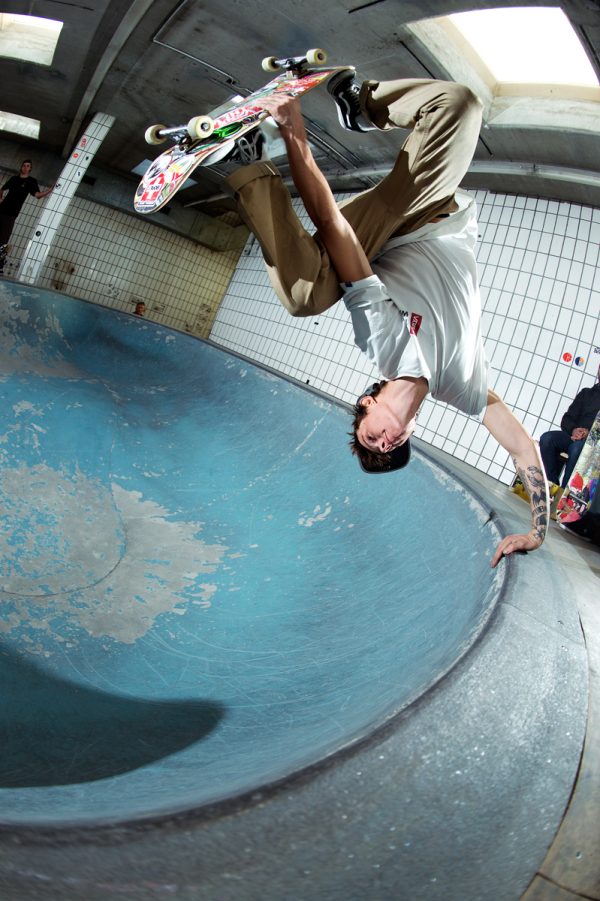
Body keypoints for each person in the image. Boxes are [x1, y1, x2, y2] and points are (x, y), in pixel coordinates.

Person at [217, 72, 548, 568]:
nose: (386, 442)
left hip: (381, 235)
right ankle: (358, 105)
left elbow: (332, 224)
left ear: (367, 404)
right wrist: (538, 532)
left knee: (304, 295)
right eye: (392, 447)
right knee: (463, 105)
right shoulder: (462, 387)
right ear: (410, 435)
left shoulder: (382, 344)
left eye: (372, 437)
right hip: (435, 213)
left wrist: (293, 131)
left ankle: (257, 161)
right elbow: (523, 448)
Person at [539, 364, 600, 489]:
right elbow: (567, 418)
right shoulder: (586, 393)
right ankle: (552, 485)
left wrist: (588, 434)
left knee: (576, 449)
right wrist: (574, 430)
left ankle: (564, 491)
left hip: (593, 444)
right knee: (547, 438)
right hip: (573, 437)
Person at [0, 160, 54, 272]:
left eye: (28, 166)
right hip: (1, 210)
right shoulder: (14, 179)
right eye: (24, 165)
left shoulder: (31, 181)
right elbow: (2, 189)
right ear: (21, 167)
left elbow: (38, 195)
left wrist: (49, 190)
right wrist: (0, 199)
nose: (25, 167)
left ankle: (0, 261)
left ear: (30, 169)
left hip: (12, 214)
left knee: (4, 238)